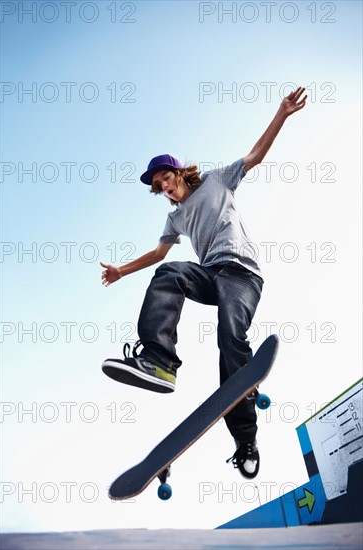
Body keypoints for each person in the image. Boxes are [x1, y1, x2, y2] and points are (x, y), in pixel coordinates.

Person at [100, 86, 307, 478]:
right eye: (158, 184)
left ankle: (246, 440)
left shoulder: (217, 181)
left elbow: (256, 156)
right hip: (210, 275)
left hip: (243, 275)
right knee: (171, 272)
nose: (164, 187)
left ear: (179, 173)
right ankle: (159, 361)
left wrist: (281, 113)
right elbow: (159, 255)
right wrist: (121, 271)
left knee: (230, 343)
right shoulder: (174, 219)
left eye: (166, 178)